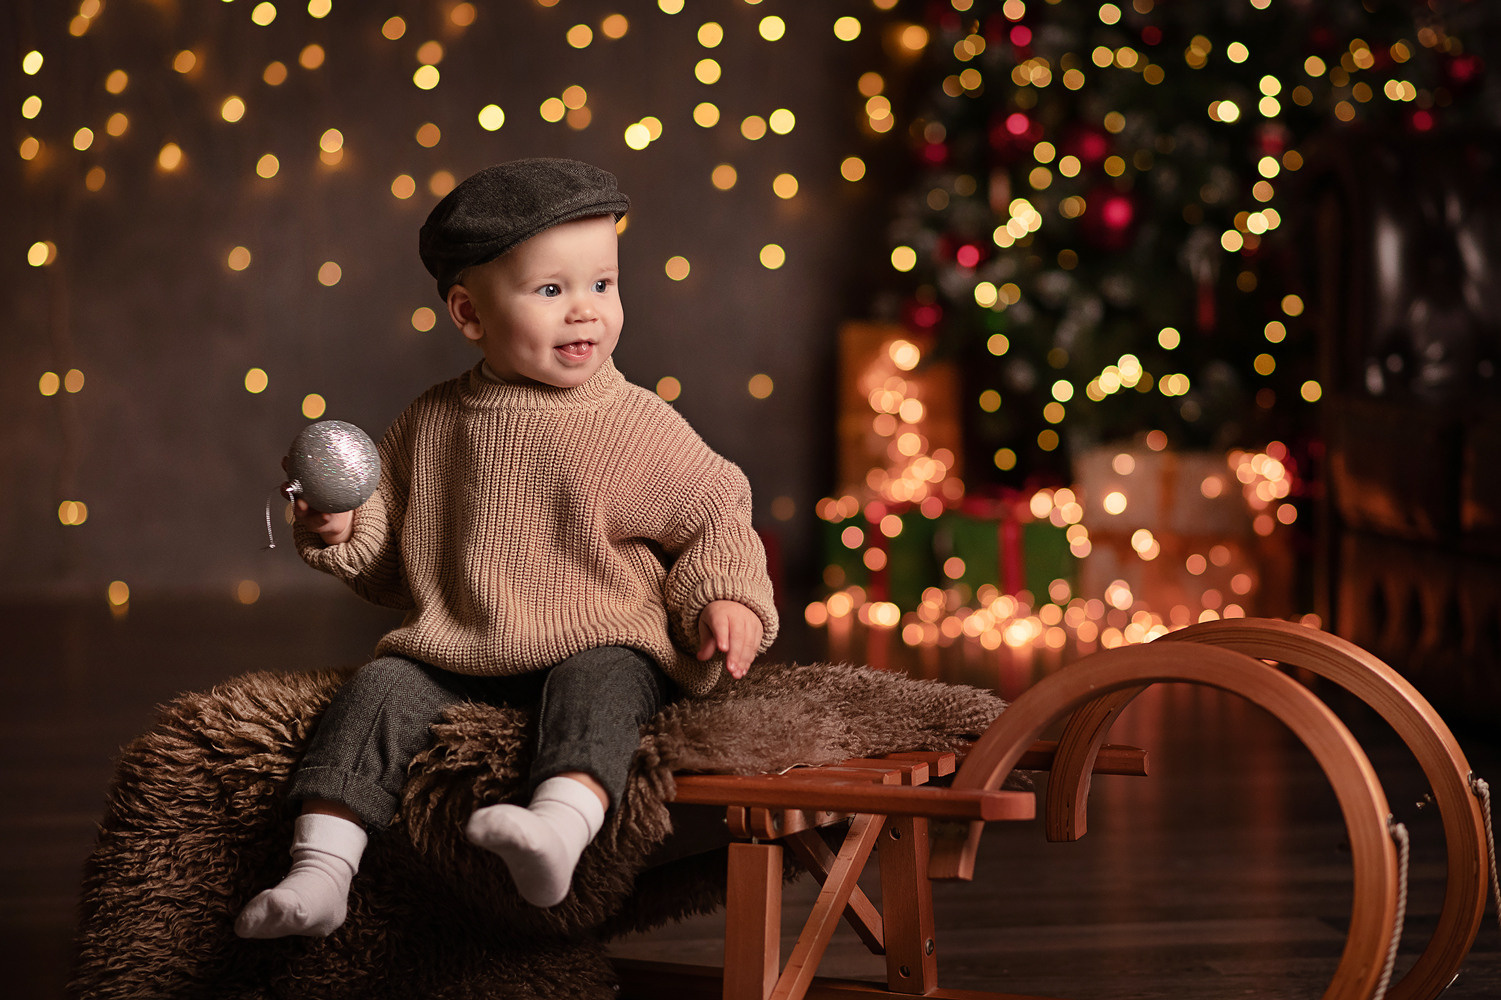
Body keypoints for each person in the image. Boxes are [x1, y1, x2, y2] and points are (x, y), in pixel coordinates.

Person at [235, 158, 778, 938]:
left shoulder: (633, 423)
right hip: (458, 646)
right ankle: (320, 872)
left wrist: (722, 595)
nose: (585, 313)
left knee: (605, 684)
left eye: (603, 284)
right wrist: (339, 528)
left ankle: (556, 829)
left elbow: (715, 513)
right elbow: (390, 547)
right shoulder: (433, 424)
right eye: (551, 291)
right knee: (377, 691)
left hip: (596, 631)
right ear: (468, 313)